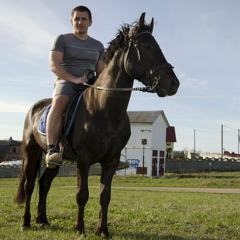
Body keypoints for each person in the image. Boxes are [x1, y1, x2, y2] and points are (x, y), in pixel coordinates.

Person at [46, 6, 129, 171]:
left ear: (90, 22)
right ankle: (52, 150)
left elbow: (102, 71)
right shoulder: (62, 39)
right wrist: (74, 79)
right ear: (71, 21)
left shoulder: (97, 45)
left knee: (111, 108)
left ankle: (112, 154)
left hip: (91, 84)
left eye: (84, 19)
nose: (80, 22)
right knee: (59, 102)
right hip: (67, 82)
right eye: (76, 18)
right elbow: (54, 65)